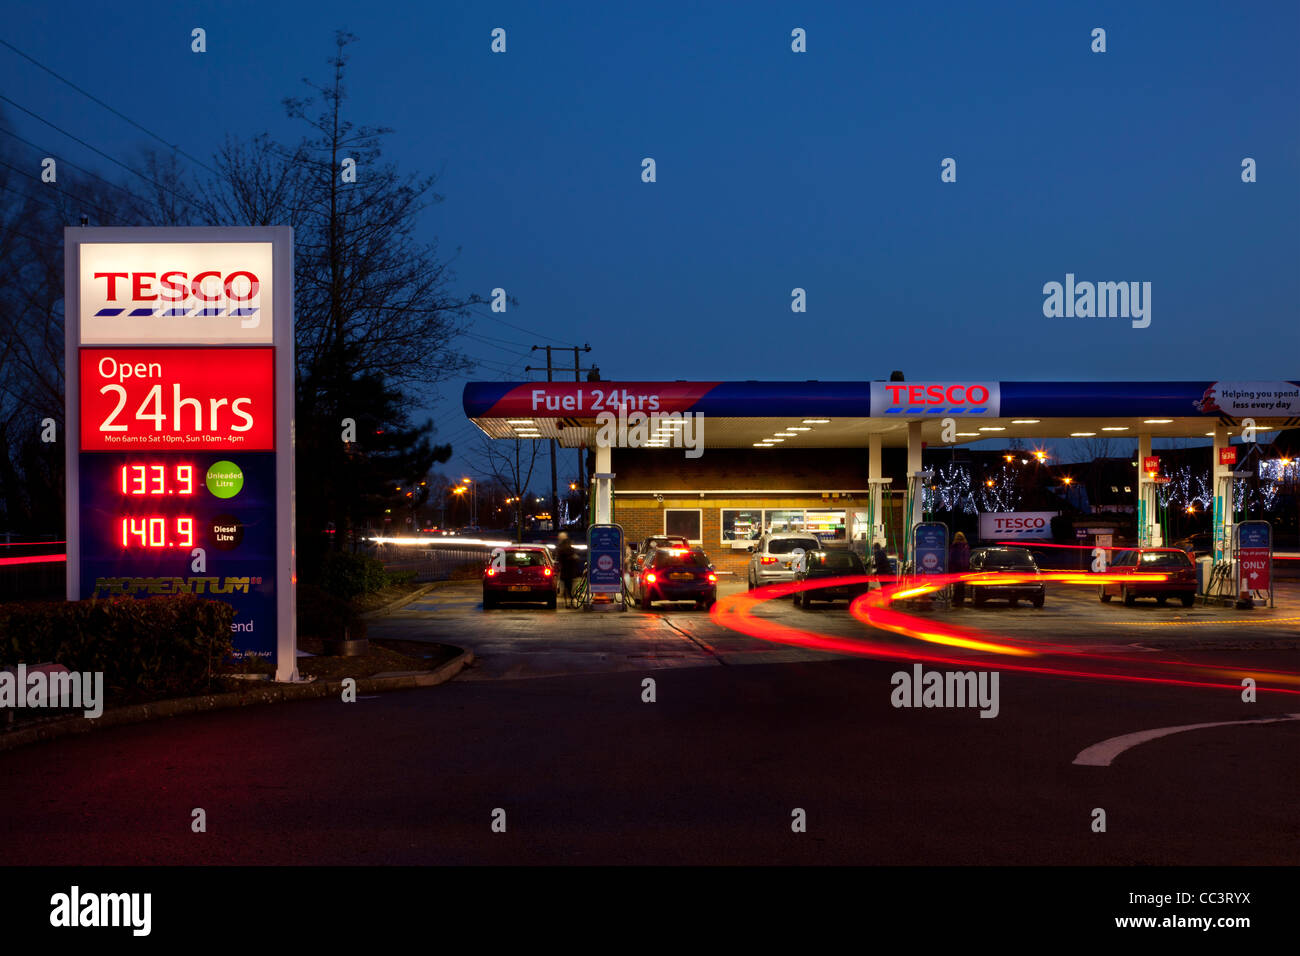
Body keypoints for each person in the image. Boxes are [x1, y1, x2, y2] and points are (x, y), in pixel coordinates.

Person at [556, 532, 579, 608]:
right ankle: (571, 602)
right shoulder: (570, 547)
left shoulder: (560, 548)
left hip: (565, 572)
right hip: (571, 571)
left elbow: (559, 560)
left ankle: (568, 603)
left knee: (566, 588)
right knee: (570, 588)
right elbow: (575, 558)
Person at [950, 531, 971, 605]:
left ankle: (956, 600)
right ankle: (960, 600)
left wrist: (951, 569)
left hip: (956, 568)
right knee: (961, 586)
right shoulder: (966, 546)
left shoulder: (954, 546)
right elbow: (967, 559)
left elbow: (951, 558)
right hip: (963, 569)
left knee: (957, 586)